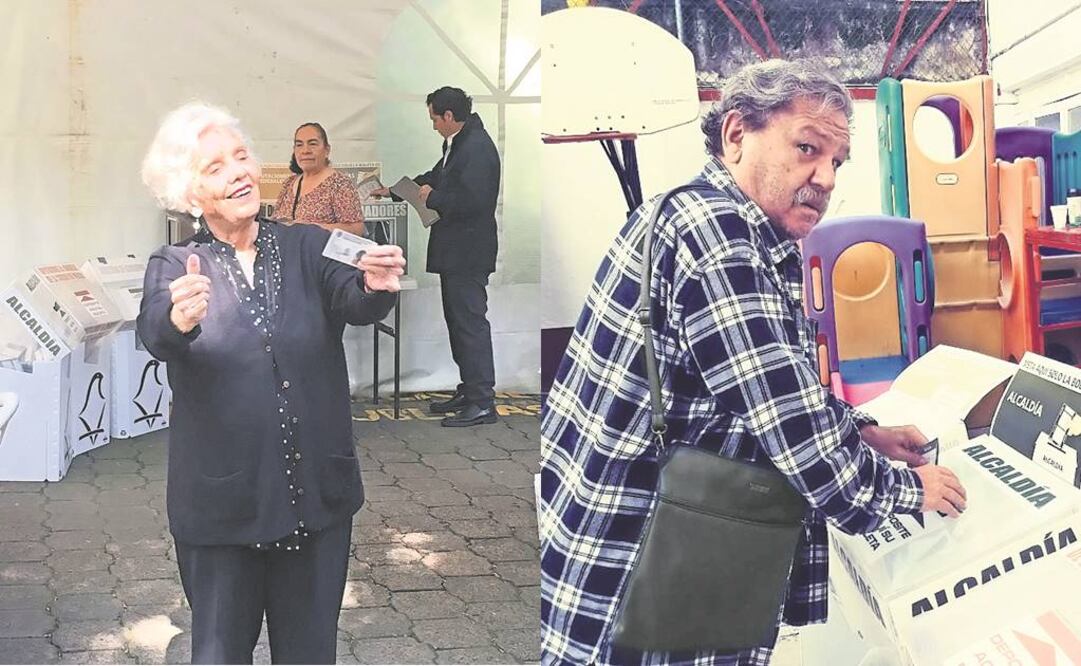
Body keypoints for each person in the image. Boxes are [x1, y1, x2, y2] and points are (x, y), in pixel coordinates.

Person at [538, 59, 969, 666]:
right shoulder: (719, 237)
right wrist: (908, 488)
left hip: (625, 554)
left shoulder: (688, 212)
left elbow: (766, 385)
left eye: (837, 162)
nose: (824, 177)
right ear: (736, 134)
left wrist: (861, 432)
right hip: (645, 574)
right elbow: (798, 440)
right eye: (806, 148)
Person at [137, 102, 405, 664]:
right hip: (223, 503)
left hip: (317, 496)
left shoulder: (308, 242)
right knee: (219, 653)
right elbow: (155, 334)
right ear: (191, 193)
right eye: (215, 167)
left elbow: (352, 297)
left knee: (310, 654)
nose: (237, 171)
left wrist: (375, 284)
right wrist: (178, 318)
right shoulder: (175, 263)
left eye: (241, 156)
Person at [375, 86, 501, 427]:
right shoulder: (461, 142)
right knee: (458, 323)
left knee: (470, 323)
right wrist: (397, 191)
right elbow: (435, 178)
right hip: (457, 251)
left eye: (434, 118)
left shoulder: (476, 148)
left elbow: (472, 201)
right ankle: (470, 389)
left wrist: (433, 199)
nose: (432, 125)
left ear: (448, 116)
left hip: (468, 251)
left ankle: (482, 401)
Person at [273, 122, 366, 237]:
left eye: (312, 144)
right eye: (299, 145)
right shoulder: (289, 184)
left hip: (320, 253)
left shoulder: (339, 184)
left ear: (327, 150)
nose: (305, 150)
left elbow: (357, 229)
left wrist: (311, 228)